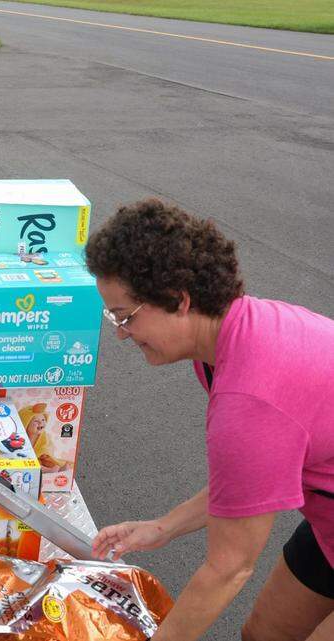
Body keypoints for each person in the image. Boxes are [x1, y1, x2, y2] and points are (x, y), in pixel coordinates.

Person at [87, 199, 334, 641]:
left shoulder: (250, 398)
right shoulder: (229, 336)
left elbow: (229, 568)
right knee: (264, 634)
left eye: (125, 317)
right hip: (327, 519)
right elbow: (244, 484)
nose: (121, 333)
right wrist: (162, 527)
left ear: (179, 300)